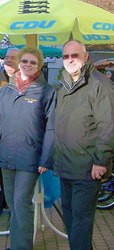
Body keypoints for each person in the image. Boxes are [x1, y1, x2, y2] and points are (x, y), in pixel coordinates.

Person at [0, 46, 56, 250]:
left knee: (21, 203)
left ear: (39, 66)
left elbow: (52, 128)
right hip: (5, 155)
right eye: (25, 61)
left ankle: (22, 247)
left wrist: (45, 158)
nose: (28, 65)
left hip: (30, 158)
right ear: (19, 63)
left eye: (33, 62)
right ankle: (17, 244)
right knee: (13, 204)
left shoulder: (46, 92)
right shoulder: (6, 90)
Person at [54, 40, 114, 250]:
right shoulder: (64, 84)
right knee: (70, 218)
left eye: (75, 55)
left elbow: (108, 127)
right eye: (66, 56)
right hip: (66, 166)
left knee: (81, 221)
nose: (70, 60)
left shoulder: (99, 84)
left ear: (86, 57)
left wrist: (101, 161)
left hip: (87, 168)